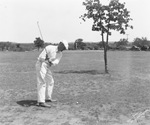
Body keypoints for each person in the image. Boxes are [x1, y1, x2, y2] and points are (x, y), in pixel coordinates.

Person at [35, 40, 68, 107]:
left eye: (64, 49)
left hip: (47, 66)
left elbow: (56, 61)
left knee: (51, 81)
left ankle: (48, 98)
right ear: (60, 44)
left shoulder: (60, 54)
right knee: (42, 82)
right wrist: (45, 58)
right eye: (63, 47)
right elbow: (40, 57)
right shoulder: (49, 48)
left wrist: (51, 62)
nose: (63, 49)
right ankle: (41, 101)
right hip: (41, 64)